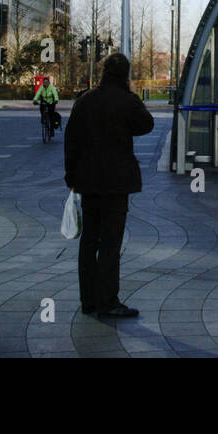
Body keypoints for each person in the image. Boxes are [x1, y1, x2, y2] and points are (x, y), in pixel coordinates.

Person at [64, 53, 154, 319]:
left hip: (88, 182)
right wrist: (133, 95)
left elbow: (71, 141)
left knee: (89, 241)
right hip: (116, 183)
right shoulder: (126, 102)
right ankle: (108, 301)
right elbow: (146, 124)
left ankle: (88, 300)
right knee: (111, 243)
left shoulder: (85, 101)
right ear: (125, 75)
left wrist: (71, 177)